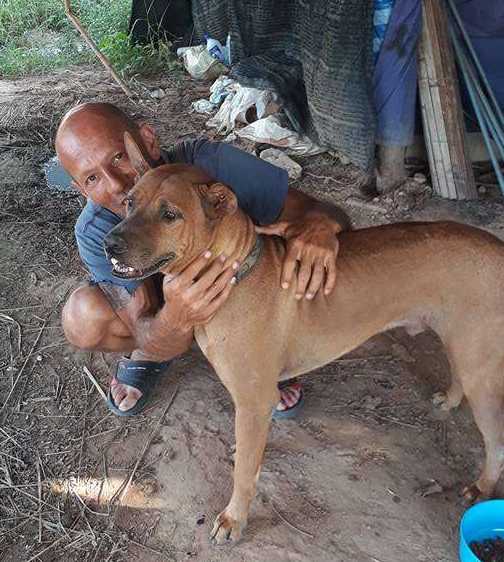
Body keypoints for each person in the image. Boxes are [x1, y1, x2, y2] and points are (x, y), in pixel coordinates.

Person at [57, 101, 349, 417]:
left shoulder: (210, 166)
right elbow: (145, 331)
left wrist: (320, 226)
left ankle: (263, 343)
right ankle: (153, 357)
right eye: (92, 179)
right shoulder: (95, 230)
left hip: (246, 291)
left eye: (118, 157)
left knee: (306, 252)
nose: (115, 184)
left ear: (148, 141)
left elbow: (321, 214)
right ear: (80, 190)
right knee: (82, 318)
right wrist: (175, 317)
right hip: (168, 311)